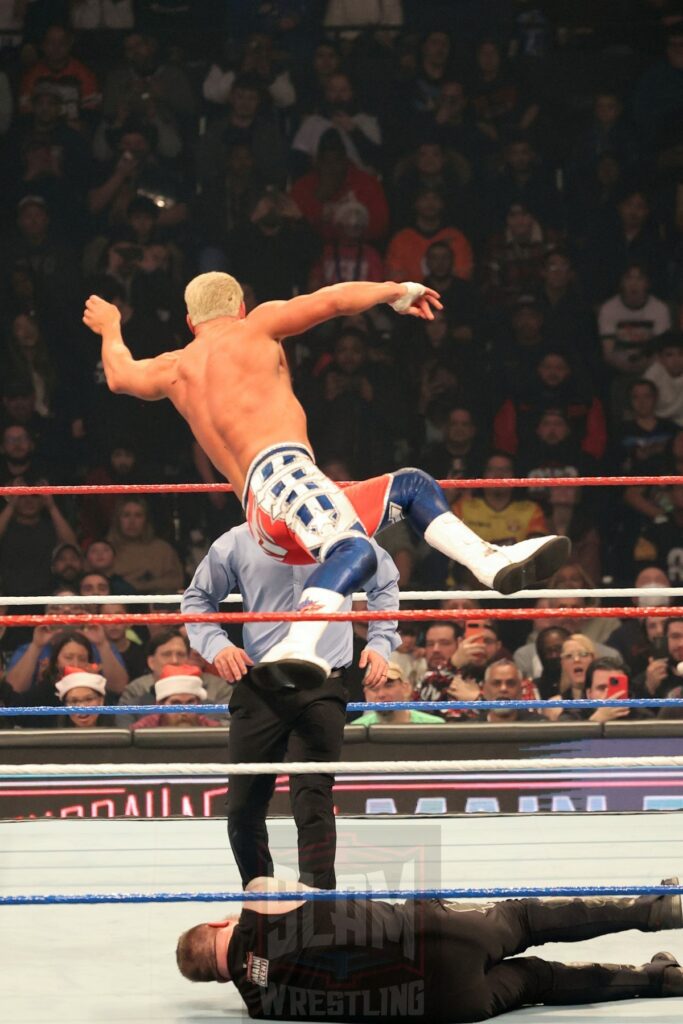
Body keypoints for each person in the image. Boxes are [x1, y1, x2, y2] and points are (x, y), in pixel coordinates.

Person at [83, 272, 569, 689]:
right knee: (354, 551)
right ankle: (299, 639)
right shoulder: (257, 327)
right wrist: (393, 290)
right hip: (285, 474)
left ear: (191, 322)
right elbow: (331, 301)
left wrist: (110, 326)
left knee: (412, 487)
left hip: (265, 514)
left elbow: (120, 374)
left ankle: (489, 562)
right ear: (241, 306)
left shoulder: (174, 368)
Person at [182, 521, 399, 888]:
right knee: (242, 808)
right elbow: (197, 598)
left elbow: (384, 582)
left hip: (324, 682)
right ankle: (260, 899)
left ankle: (318, 906)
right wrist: (217, 646)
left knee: (312, 799)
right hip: (260, 683)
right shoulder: (238, 540)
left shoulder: (345, 537)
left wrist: (380, 642)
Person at [176, 875, 683, 1021]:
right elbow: (289, 887)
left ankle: (659, 979)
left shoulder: (259, 1006)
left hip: (446, 1004)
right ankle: (655, 910)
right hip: (434, 937)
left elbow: (262, 970)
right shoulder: (256, 909)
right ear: (218, 922)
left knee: (540, 979)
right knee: (528, 917)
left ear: (219, 979)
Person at [131, 664, 223, 730]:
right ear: (160, 705)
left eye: (190, 703)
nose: (183, 712)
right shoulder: (141, 730)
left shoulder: (214, 730)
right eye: (175, 703)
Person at [354, 661, 445, 726]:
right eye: (373, 688)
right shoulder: (356, 728)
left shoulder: (434, 726)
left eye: (388, 685)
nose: (381, 694)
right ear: (366, 694)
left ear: (406, 688)